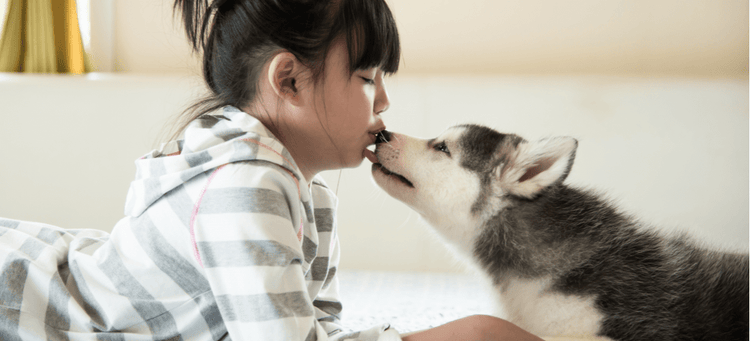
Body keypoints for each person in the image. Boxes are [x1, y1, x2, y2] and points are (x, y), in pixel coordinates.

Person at [0, 0, 543, 340]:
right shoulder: (243, 186)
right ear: (288, 81)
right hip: (27, 303)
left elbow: (317, 326)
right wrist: (461, 334)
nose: (384, 102)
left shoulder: (311, 191)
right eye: (366, 77)